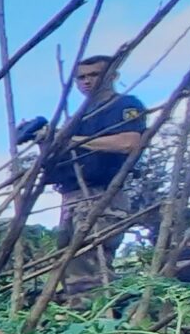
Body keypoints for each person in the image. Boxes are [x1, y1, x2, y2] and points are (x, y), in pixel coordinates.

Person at [18, 55, 148, 299]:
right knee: (70, 263)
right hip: (73, 196)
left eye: (94, 75)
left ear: (113, 76)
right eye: (82, 77)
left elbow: (130, 142)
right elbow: (57, 161)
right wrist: (46, 140)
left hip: (102, 194)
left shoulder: (124, 105)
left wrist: (71, 139)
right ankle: (85, 314)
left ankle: (98, 321)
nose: (87, 81)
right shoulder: (77, 118)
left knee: (90, 263)